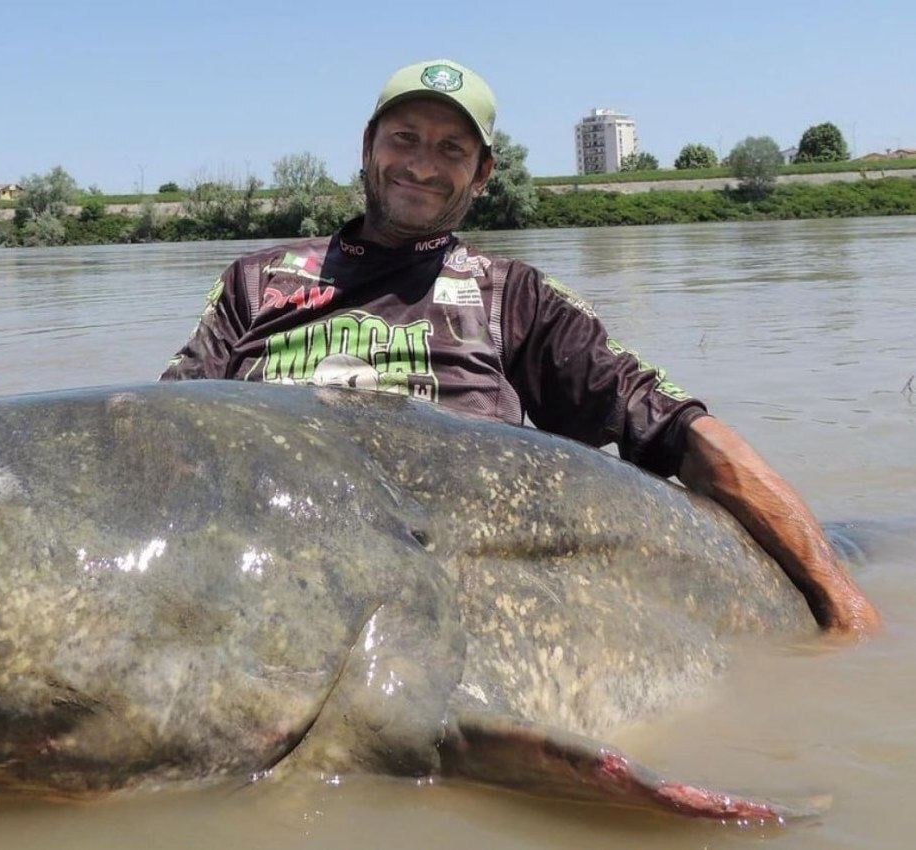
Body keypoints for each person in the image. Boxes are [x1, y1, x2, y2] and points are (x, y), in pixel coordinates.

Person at [160, 59, 881, 636]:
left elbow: (677, 429)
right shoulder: (257, 281)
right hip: (261, 568)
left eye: (452, 149)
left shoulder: (513, 295)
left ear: (482, 174)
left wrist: (836, 592)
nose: (422, 163)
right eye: (404, 137)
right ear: (367, 149)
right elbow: (158, 438)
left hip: (447, 589)